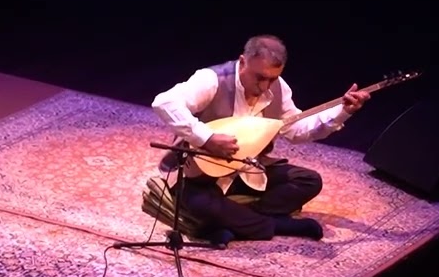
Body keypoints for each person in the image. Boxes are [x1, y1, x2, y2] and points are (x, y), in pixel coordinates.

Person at [150, 34, 371, 246]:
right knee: (200, 204)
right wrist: (207, 138)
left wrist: (343, 111)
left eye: (272, 78)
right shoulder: (212, 79)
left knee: (309, 181)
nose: (265, 86)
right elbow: (164, 103)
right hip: (199, 174)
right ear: (243, 61)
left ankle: (234, 223)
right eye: (260, 78)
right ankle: (275, 224)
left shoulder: (279, 87)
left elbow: (296, 130)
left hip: (246, 170)